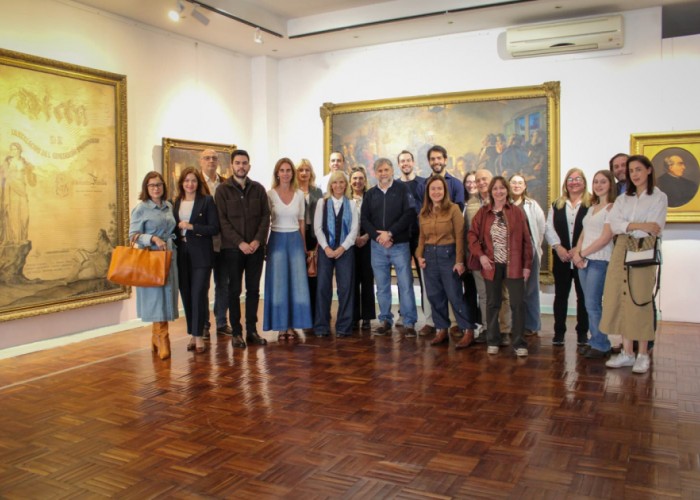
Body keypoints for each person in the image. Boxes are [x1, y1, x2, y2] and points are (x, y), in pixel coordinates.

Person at [601, 155, 667, 374]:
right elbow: (615, 225)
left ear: (649, 170)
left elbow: (654, 227)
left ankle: (642, 354)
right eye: (631, 171)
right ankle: (627, 352)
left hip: (643, 249)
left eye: (638, 169)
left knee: (640, 300)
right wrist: (638, 225)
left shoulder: (659, 197)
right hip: (621, 249)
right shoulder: (623, 199)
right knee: (620, 298)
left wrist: (630, 226)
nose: (634, 174)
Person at [468, 176, 533, 356]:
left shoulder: (517, 212)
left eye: (502, 188)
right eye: (495, 188)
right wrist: (481, 256)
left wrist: (527, 265)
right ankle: (493, 340)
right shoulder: (483, 212)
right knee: (492, 303)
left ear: (507, 190)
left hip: (515, 265)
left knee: (517, 304)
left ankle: (519, 343)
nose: (499, 191)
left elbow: (527, 241)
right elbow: (472, 236)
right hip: (491, 265)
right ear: (491, 191)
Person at [215, 150, 270, 349]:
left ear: (249, 166)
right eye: (237, 163)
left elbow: (265, 217)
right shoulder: (222, 190)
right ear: (232, 165)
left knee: (253, 290)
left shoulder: (258, 189)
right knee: (234, 291)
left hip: (256, 249)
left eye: (244, 163)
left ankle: (252, 331)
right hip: (232, 249)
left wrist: (257, 241)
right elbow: (222, 221)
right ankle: (237, 333)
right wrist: (240, 243)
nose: (241, 166)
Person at [416, 175, 477, 348]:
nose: (436, 192)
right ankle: (441, 329)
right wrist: (419, 256)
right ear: (428, 192)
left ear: (445, 191)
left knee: (454, 295)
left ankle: (468, 330)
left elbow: (460, 237)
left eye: (439, 188)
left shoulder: (453, 209)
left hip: (448, 256)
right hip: (429, 257)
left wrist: (459, 261)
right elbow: (422, 237)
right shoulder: (424, 212)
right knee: (435, 296)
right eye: (433, 189)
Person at [361, 158, 417, 337]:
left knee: (405, 285)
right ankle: (385, 320)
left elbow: (409, 214)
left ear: (392, 171)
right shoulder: (370, 194)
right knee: (382, 286)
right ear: (375, 173)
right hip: (377, 247)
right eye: (380, 171)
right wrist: (378, 237)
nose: (383, 173)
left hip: (399, 245)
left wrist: (390, 233)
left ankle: (409, 322)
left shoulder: (403, 190)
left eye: (386, 170)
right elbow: (364, 219)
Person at [129, 171, 179, 360]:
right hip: (151, 258)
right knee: (157, 298)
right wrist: (152, 238)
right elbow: (133, 235)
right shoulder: (141, 209)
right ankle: (163, 337)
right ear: (146, 188)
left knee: (167, 296)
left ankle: (156, 336)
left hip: (169, 256)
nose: (156, 188)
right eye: (152, 185)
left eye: (158, 184)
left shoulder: (168, 206)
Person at [263, 158, 313, 340]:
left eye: (288, 170)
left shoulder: (299, 195)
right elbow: (265, 222)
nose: (285, 173)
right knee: (278, 285)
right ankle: (281, 326)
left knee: (296, 284)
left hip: (295, 240)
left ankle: (292, 325)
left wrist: (304, 246)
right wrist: (264, 245)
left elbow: (301, 222)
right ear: (277, 173)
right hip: (276, 239)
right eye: (282, 170)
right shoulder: (269, 194)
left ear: (293, 173)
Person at [173, 167, 220, 354]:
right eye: (186, 181)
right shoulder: (176, 202)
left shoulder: (206, 201)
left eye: (193, 180)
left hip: (201, 253)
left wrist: (192, 227)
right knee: (186, 293)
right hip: (181, 253)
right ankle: (193, 333)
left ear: (198, 183)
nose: (190, 184)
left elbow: (214, 228)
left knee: (199, 293)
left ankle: (199, 335)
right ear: (181, 183)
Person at [571, 170, 616, 359]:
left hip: (599, 260)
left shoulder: (612, 208)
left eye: (603, 182)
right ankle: (595, 339)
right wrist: (577, 253)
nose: (598, 185)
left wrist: (582, 254)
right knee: (589, 303)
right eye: (596, 181)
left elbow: (605, 238)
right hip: (584, 260)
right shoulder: (592, 208)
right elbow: (583, 233)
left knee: (593, 303)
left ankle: (601, 344)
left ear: (610, 184)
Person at [545, 167, 590, 346]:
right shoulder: (557, 204)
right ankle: (559, 333)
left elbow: (593, 229)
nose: (574, 182)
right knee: (561, 296)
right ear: (566, 183)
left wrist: (579, 249)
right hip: (562, 259)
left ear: (584, 182)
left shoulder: (591, 204)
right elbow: (549, 228)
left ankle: (582, 333)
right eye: (570, 179)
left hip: (583, 258)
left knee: (583, 297)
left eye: (578, 179)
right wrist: (558, 247)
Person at [465, 168, 510, 343]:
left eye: (484, 179)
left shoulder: (503, 201)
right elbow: (469, 233)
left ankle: (504, 330)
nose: (481, 183)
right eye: (478, 180)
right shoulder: (470, 204)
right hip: (479, 258)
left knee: (503, 294)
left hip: (501, 257)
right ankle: (487, 328)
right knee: (483, 295)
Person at [314, 171, 359, 337]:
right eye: (335, 182)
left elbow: (354, 230)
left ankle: (344, 327)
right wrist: (326, 247)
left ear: (346, 185)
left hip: (345, 251)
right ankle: (321, 326)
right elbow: (317, 228)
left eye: (341, 182)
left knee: (345, 288)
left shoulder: (352, 204)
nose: (338, 185)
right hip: (325, 250)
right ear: (330, 185)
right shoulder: (322, 203)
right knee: (323, 288)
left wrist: (342, 248)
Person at [397, 150, 431, 337]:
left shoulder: (423, 183)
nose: (405, 163)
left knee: (425, 278)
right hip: (401, 237)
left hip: (420, 237)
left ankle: (429, 319)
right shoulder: (395, 185)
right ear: (399, 164)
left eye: (408, 160)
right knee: (403, 278)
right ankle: (403, 313)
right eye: (402, 161)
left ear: (413, 162)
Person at [198, 148, 231, 339]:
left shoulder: (225, 183)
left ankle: (221, 322)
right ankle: (203, 324)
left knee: (223, 283)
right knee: (203, 285)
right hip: (203, 242)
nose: (211, 161)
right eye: (207, 158)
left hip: (223, 242)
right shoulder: (195, 183)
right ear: (200, 161)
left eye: (214, 158)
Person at [509, 174, 545, 337]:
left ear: (524, 186)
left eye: (520, 183)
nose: (516, 185)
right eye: (513, 183)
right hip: (510, 250)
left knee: (531, 289)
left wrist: (533, 245)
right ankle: (513, 324)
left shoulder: (532, 205)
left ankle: (531, 325)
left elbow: (541, 228)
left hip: (530, 249)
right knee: (512, 290)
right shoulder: (505, 204)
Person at [296, 158, 323, 332]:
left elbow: (322, 215)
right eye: (301, 170)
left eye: (307, 170)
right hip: (297, 236)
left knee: (314, 277)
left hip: (315, 236)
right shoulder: (292, 191)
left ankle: (315, 316)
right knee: (300, 279)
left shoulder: (317, 192)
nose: (304, 173)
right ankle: (302, 317)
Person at [349, 167, 376, 330]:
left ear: (365, 181)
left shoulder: (371, 198)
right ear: (350, 181)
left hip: (367, 243)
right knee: (352, 280)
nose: (357, 181)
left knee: (367, 280)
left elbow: (375, 220)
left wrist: (366, 237)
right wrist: (353, 239)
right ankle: (353, 316)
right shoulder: (345, 199)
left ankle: (367, 317)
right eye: (354, 178)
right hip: (349, 245)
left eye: (360, 178)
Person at [2, 142, 36, 242]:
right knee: (14, 215)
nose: (13, 151)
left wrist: (31, 171)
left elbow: (31, 179)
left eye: (15, 149)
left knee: (25, 216)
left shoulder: (24, 161)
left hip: (22, 190)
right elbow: (5, 177)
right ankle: (16, 240)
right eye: (11, 149)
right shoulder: (7, 162)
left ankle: (23, 237)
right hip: (12, 190)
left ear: (20, 150)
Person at [461, 171, 480, 326]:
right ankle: (470, 323)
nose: (471, 184)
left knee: (483, 291)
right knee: (469, 289)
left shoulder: (483, 204)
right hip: (464, 254)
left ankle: (483, 323)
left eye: (474, 181)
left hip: (479, 254)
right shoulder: (461, 204)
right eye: (468, 181)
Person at [423, 145, 465, 211]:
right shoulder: (422, 185)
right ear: (429, 162)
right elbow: (421, 211)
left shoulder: (457, 184)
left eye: (439, 158)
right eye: (433, 159)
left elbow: (458, 211)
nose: (436, 162)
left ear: (445, 160)